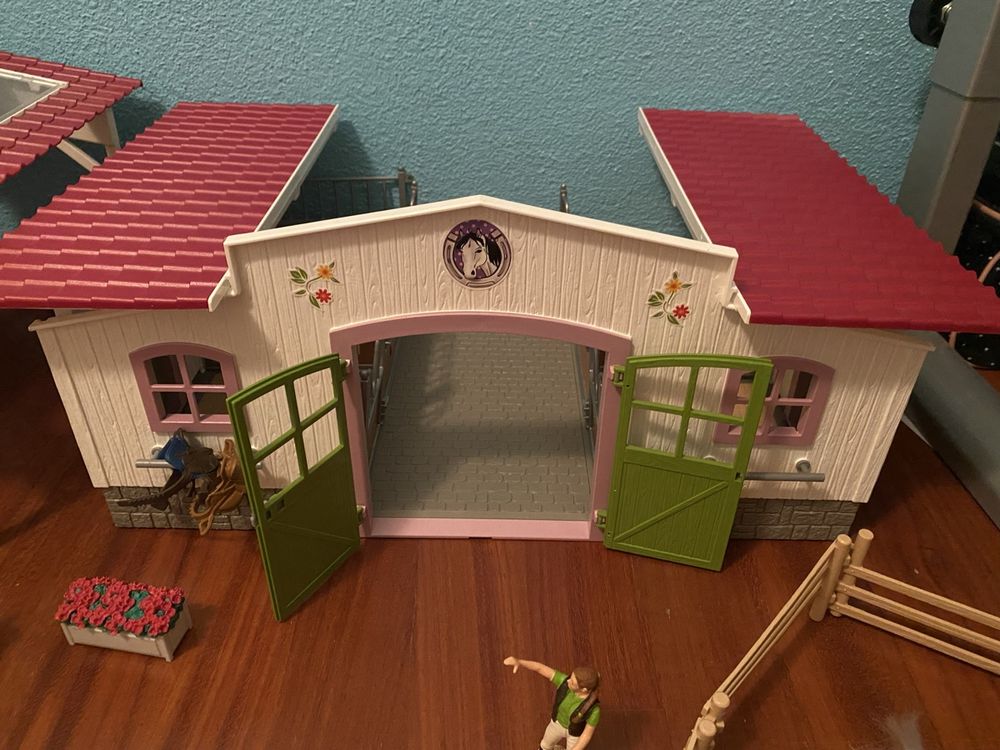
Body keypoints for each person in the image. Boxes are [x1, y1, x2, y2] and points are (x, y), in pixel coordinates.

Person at [504, 656, 601, 750]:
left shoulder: (594, 710)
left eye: (572, 682)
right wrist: (519, 662)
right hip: (557, 724)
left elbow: (586, 735)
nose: (568, 681)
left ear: (584, 689)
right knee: (545, 745)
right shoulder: (564, 683)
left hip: (574, 733)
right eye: (571, 677)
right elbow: (540, 668)